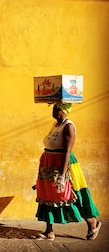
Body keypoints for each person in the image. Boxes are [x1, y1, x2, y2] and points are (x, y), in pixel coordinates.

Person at [35, 103, 101, 241]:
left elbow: (67, 152)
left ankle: (91, 222)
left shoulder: (68, 126)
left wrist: (62, 176)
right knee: (48, 196)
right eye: (53, 108)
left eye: (56, 109)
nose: (53, 111)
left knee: (69, 195)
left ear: (64, 111)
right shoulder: (55, 124)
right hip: (48, 165)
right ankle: (49, 231)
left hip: (63, 165)